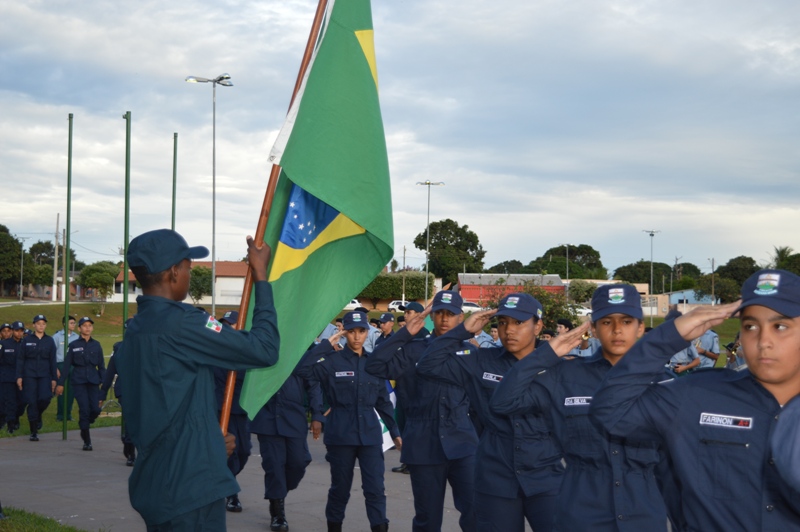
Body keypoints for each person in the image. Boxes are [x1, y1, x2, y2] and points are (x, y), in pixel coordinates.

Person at [590, 269, 800, 530]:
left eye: (780, 326)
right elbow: (610, 411)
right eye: (750, 326)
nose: (763, 341)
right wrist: (670, 336)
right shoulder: (697, 395)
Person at [117, 229, 280, 531]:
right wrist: (260, 275)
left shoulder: (136, 329)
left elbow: (163, 407)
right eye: (189, 267)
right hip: (190, 488)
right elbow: (264, 349)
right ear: (173, 272)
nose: (189, 275)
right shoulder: (186, 322)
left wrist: (208, 444)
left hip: (157, 483)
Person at [490, 284, 674, 531]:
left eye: (626, 321)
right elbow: (503, 402)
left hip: (643, 513)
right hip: (582, 512)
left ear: (640, 327)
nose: (617, 330)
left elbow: (676, 463)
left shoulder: (664, 383)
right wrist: (547, 353)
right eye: (606, 322)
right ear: (593, 329)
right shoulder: (565, 375)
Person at [417, 293, 566, 532]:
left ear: (538, 326)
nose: (509, 330)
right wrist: (462, 331)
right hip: (495, 478)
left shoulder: (559, 367)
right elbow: (427, 365)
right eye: (503, 322)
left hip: (546, 476)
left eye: (519, 322)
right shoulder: (481, 360)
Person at [366, 290, 479, 532]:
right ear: (432, 316)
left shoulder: (471, 353)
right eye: (440, 313)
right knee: (427, 518)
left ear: (461, 317)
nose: (445, 319)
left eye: (451, 314)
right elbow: (374, 365)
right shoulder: (414, 349)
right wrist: (404, 334)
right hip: (423, 443)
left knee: (476, 513)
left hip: (463, 442)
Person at [295, 310, 401, 532]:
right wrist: (326, 344)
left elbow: (383, 402)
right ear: (344, 333)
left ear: (367, 332)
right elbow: (302, 369)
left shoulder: (374, 363)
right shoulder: (331, 361)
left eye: (361, 331)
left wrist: (395, 431)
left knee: (375, 489)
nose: (357, 336)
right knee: (340, 489)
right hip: (341, 434)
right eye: (352, 332)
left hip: (370, 435)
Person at [250, 354, 325, 531]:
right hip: (267, 419)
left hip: (294, 418)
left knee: (299, 462)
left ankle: (279, 492)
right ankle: (277, 513)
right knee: (274, 466)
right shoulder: (263, 350)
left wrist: (317, 415)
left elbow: (313, 386)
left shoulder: (300, 354)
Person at [212, 310, 251, 514]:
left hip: (240, 409)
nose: (227, 328)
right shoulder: (213, 349)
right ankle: (230, 492)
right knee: (227, 451)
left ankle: (226, 482)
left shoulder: (248, 352)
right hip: (218, 409)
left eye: (231, 325)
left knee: (243, 451)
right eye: (224, 325)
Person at [57, 316, 105, 450]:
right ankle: (87, 441)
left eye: (90, 326)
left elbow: (101, 366)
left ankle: (85, 423)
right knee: (84, 409)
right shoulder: (74, 345)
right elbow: (66, 366)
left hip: (93, 380)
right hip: (79, 381)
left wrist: (104, 384)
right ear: (79, 328)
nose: (87, 328)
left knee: (95, 409)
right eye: (84, 326)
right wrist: (60, 383)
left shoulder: (97, 345)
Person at [16, 314, 57, 441]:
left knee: (45, 398)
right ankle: (33, 431)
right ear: (34, 325)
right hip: (29, 375)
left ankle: (38, 414)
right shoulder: (27, 340)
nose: (41, 326)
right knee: (32, 401)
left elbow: (53, 360)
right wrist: (19, 376)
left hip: (45, 375)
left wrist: (54, 378)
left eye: (43, 324)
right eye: (38, 324)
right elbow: (21, 359)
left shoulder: (49, 340)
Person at [101, 318, 135, 465]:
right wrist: (102, 393)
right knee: (131, 419)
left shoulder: (145, 347)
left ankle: (130, 443)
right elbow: (110, 372)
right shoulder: (119, 349)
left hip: (141, 389)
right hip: (125, 389)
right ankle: (130, 450)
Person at [52, 315, 78, 421]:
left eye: (74, 323)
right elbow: (52, 354)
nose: (73, 325)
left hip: (73, 365)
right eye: (71, 323)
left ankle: (68, 414)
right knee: (61, 390)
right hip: (61, 365)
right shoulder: (56, 337)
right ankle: (60, 415)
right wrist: (55, 368)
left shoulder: (76, 337)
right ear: (64, 324)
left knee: (71, 391)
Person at [1, 322, 24, 433]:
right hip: (7, 377)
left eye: (21, 331)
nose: (19, 333)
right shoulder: (4, 344)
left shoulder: (25, 344)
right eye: (16, 330)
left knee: (22, 401)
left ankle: (16, 418)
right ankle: (10, 424)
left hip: (22, 378)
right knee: (10, 401)